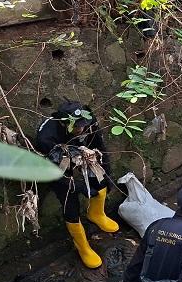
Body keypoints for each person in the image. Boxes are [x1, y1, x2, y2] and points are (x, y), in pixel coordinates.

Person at [35, 101, 119, 269]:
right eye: (76, 127)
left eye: (84, 126)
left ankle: (96, 214)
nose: (81, 130)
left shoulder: (88, 120)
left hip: (83, 155)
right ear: (63, 123)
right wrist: (79, 186)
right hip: (57, 166)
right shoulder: (46, 137)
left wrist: (107, 176)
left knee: (100, 181)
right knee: (70, 203)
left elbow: (99, 147)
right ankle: (82, 246)